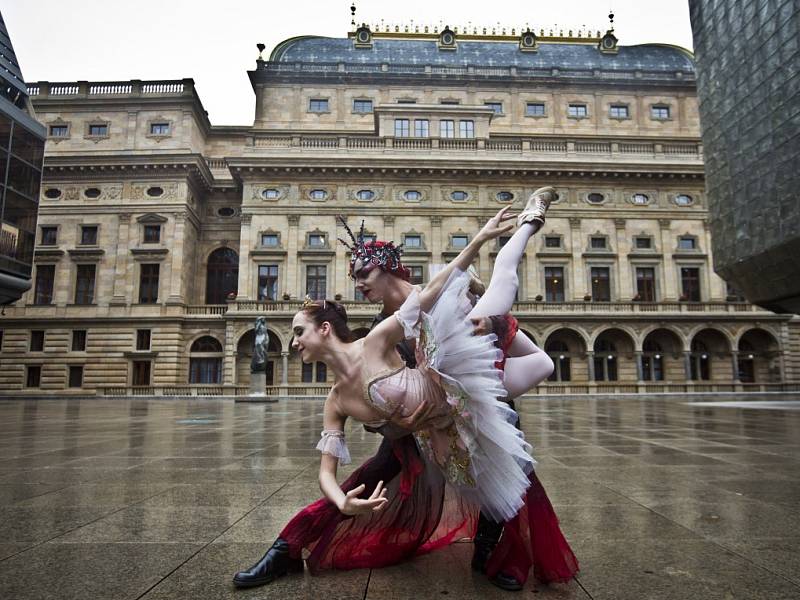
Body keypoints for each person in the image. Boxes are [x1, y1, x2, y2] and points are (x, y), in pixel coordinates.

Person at [233, 188, 578, 590]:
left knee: (510, 456)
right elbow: (375, 397)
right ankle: (286, 547)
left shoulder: (434, 298)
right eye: (355, 277)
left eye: (363, 274)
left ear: (387, 268)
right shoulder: (382, 331)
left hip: (473, 387)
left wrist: (494, 315)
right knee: (375, 471)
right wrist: (387, 426)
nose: (358, 284)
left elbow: (493, 330)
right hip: (418, 423)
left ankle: (491, 546)